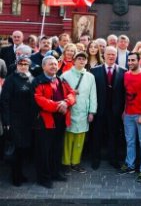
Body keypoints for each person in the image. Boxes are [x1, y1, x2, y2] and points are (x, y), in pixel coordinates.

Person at [33, 56, 76, 188]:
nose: (53, 66)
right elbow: (39, 99)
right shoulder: (38, 81)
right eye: (50, 64)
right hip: (45, 122)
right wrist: (59, 105)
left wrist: (66, 102)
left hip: (61, 121)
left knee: (57, 149)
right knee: (44, 152)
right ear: (44, 67)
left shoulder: (60, 79)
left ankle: (55, 172)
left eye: (55, 64)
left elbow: (72, 94)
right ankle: (44, 178)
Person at [119, 52, 141, 183]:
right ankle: (130, 165)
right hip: (128, 114)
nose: (130, 62)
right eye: (129, 60)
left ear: (139, 61)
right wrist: (124, 110)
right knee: (130, 141)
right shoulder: (126, 75)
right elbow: (127, 94)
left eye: (133, 60)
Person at [90, 46, 126, 170]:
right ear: (103, 55)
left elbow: (124, 93)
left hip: (115, 110)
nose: (111, 56)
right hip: (99, 109)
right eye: (109, 54)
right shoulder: (94, 71)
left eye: (113, 54)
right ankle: (95, 159)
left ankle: (113, 159)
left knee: (113, 135)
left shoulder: (123, 71)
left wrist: (123, 110)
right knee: (97, 135)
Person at [61, 52, 97, 175]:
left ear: (86, 62)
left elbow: (93, 95)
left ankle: (75, 162)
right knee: (68, 138)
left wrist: (92, 111)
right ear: (74, 60)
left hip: (83, 112)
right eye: (79, 59)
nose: (81, 61)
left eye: (84, 59)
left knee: (80, 139)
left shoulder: (90, 77)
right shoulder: (65, 75)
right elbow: (60, 94)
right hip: (70, 112)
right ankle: (66, 163)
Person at [1, 55, 34, 186]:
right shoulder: (10, 79)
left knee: (23, 150)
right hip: (15, 121)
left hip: (27, 120)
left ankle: (20, 174)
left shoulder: (32, 78)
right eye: (20, 64)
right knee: (16, 150)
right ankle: (15, 177)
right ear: (16, 65)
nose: (23, 66)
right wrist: (7, 122)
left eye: (25, 64)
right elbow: (4, 102)